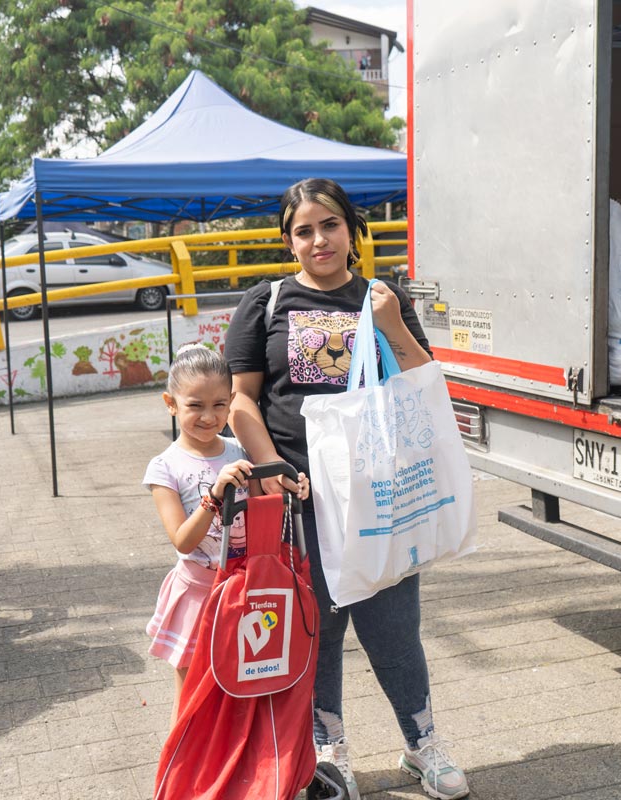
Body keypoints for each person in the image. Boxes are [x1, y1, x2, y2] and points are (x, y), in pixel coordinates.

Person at [224, 178, 469, 800]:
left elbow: (424, 382)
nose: (318, 240)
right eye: (303, 230)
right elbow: (241, 401)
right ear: (289, 241)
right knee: (318, 631)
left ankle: (421, 743)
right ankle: (328, 751)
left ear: (352, 231)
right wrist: (271, 468)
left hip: (379, 497)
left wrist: (392, 325)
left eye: (329, 225)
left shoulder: (384, 297)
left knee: (394, 629)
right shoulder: (265, 303)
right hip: (299, 499)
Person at [143, 344, 310, 722]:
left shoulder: (240, 452)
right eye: (195, 405)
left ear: (231, 402)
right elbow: (183, 540)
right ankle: (185, 758)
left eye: (219, 405)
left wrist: (292, 490)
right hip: (197, 594)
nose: (208, 416)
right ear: (171, 404)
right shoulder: (165, 467)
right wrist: (214, 496)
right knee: (192, 695)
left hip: (245, 592)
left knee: (244, 689)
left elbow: (264, 514)